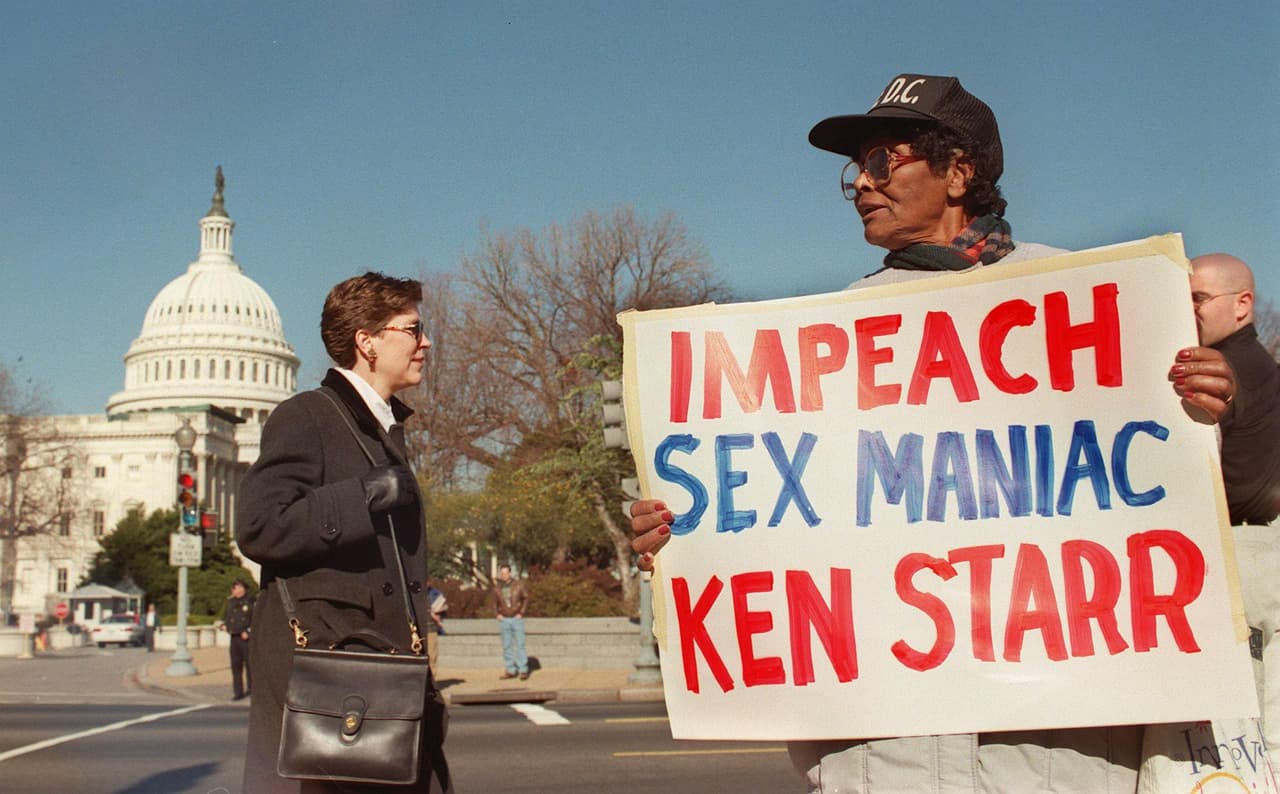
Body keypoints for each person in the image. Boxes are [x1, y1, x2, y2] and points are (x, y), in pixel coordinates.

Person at [630, 73, 1146, 792]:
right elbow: (797, 527)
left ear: (959, 171)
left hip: (1053, 759)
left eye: (882, 162)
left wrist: (1213, 410)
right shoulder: (827, 337)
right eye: (854, 172)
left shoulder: (1093, 305)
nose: (862, 186)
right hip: (885, 760)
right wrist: (692, 537)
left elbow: (1174, 490)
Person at [236, 271, 451, 793]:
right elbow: (258, 526)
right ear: (367, 342)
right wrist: (366, 495)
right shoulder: (307, 416)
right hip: (334, 703)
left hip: (378, 696)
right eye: (412, 329)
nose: (425, 342)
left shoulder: (379, 429)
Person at [1169, 252, 1280, 755]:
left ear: (1242, 305)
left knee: (1235, 745)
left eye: (1198, 298)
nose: (1187, 308)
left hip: (1239, 558)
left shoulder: (1227, 371)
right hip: (1262, 552)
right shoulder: (1266, 368)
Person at [218, 578, 254, 700]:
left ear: (243, 588)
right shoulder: (231, 602)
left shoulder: (250, 601)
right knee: (236, 665)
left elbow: (256, 620)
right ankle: (238, 692)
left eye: (236, 587)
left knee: (250, 664)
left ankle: (251, 689)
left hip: (246, 638)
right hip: (234, 636)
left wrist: (248, 631)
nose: (234, 590)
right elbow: (227, 617)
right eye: (233, 588)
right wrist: (224, 625)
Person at [492, 564, 529, 680]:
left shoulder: (519, 585)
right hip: (504, 619)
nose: (504, 575)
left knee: (520, 644)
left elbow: (526, 598)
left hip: (516, 618)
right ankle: (510, 669)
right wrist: (496, 614)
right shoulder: (497, 587)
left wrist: (521, 612)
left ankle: (523, 670)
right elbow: (494, 602)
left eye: (506, 573)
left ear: (510, 573)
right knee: (506, 645)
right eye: (502, 573)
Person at [426, 579, 447, 672]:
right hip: (419, 628)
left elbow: (445, 606)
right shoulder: (416, 594)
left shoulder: (436, 593)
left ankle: (432, 679)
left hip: (431, 627)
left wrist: (440, 611)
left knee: (432, 655)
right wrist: (431, 613)